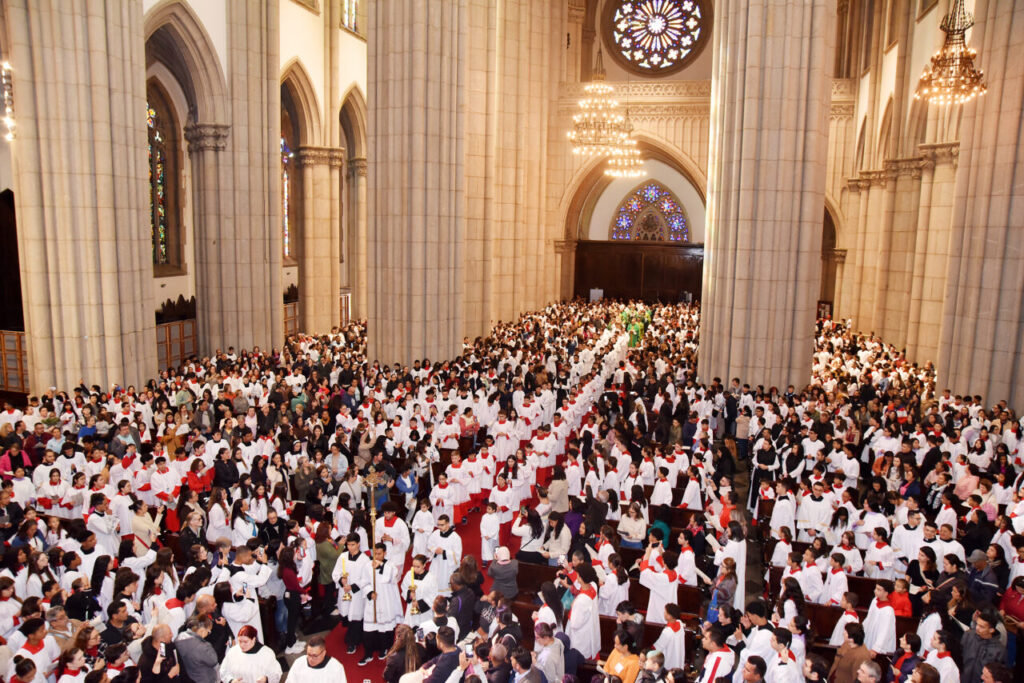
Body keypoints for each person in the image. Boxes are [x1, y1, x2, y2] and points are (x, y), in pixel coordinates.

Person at [959, 610, 1006, 683]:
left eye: (982, 626)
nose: (977, 628)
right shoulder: (968, 635)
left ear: (991, 630)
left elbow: (997, 674)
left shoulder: (999, 649)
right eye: (977, 624)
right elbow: (959, 655)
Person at [172, 615, 218, 683]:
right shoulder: (203, 646)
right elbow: (214, 661)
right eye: (208, 632)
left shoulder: (177, 640)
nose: (208, 634)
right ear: (202, 630)